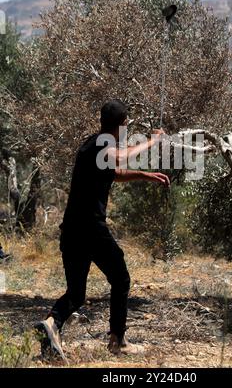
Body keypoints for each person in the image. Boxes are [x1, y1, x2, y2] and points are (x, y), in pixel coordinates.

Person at [35, 99, 170, 360]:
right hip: (90, 228)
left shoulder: (91, 144)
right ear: (123, 124)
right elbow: (118, 157)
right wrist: (153, 142)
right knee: (121, 279)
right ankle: (117, 341)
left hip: (72, 229)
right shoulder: (102, 144)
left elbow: (115, 171)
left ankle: (51, 324)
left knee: (76, 294)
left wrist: (145, 175)